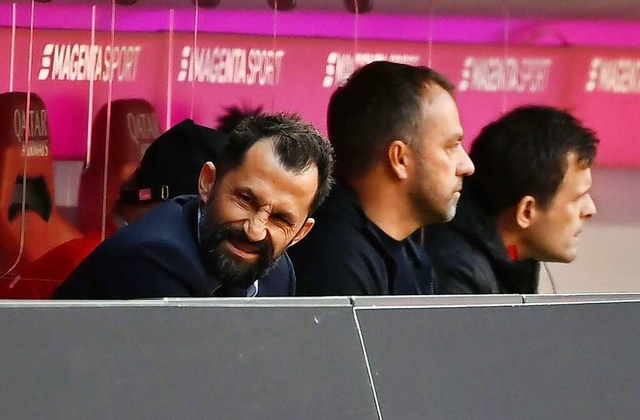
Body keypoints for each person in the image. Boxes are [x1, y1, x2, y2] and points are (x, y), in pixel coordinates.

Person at [53, 113, 334, 299]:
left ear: (300, 233)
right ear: (208, 182)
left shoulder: (279, 272)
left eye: (280, 219)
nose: (255, 231)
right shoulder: (150, 260)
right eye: (245, 200)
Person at [289, 61, 475, 296]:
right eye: (451, 146)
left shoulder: (409, 252)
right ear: (399, 159)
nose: (467, 166)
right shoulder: (334, 260)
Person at [424, 105, 599, 294]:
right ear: (526, 211)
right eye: (577, 198)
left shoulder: (514, 254)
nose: (590, 210)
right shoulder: (455, 273)